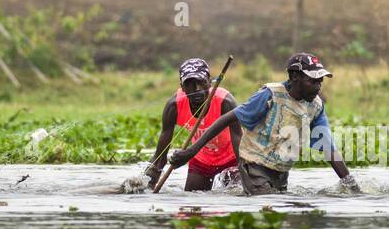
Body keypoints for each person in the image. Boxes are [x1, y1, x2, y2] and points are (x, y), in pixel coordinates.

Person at [169, 53, 361, 196]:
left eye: (320, 81)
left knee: (282, 207)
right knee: (268, 204)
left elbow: (328, 148)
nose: (318, 86)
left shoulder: (316, 107)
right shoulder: (270, 95)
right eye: (313, 81)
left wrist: (350, 183)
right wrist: (191, 151)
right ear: (295, 77)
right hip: (254, 165)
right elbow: (228, 119)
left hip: (280, 171)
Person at [146, 58, 240, 191]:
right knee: (192, 201)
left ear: (209, 82)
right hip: (201, 159)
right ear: (182, 86)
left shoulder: (225, 102)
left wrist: (247, 175)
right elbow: (160, 157)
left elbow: (239, 141)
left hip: (231, 158)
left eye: (201, 82)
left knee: (235, 195)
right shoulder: (174, 106)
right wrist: (147, 185)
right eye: (189, 84)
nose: (196, 89)